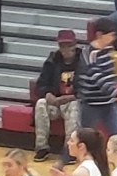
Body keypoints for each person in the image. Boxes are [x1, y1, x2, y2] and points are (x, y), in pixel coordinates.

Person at [76, 16, 117, 137]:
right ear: (100, 35)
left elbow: (109, 74)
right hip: (91, 103)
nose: (113, 38)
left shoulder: (108, 49)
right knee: (85, 136)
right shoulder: (89, 53)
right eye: (111, 35)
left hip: (109, 102)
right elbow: (98, 78)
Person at [33, 29, 82, 161]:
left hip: (73, 100)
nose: (66, 49)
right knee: (41, 103)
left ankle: (69, 149)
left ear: (75, 45)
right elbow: (40, 85)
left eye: (69, 45)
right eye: (62, 46)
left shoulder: (83, 61)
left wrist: (72, 96)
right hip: (55, 101)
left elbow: (88, 86)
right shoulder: (52, 61)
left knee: (75, 105)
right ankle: (41, 147)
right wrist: (47, 94)